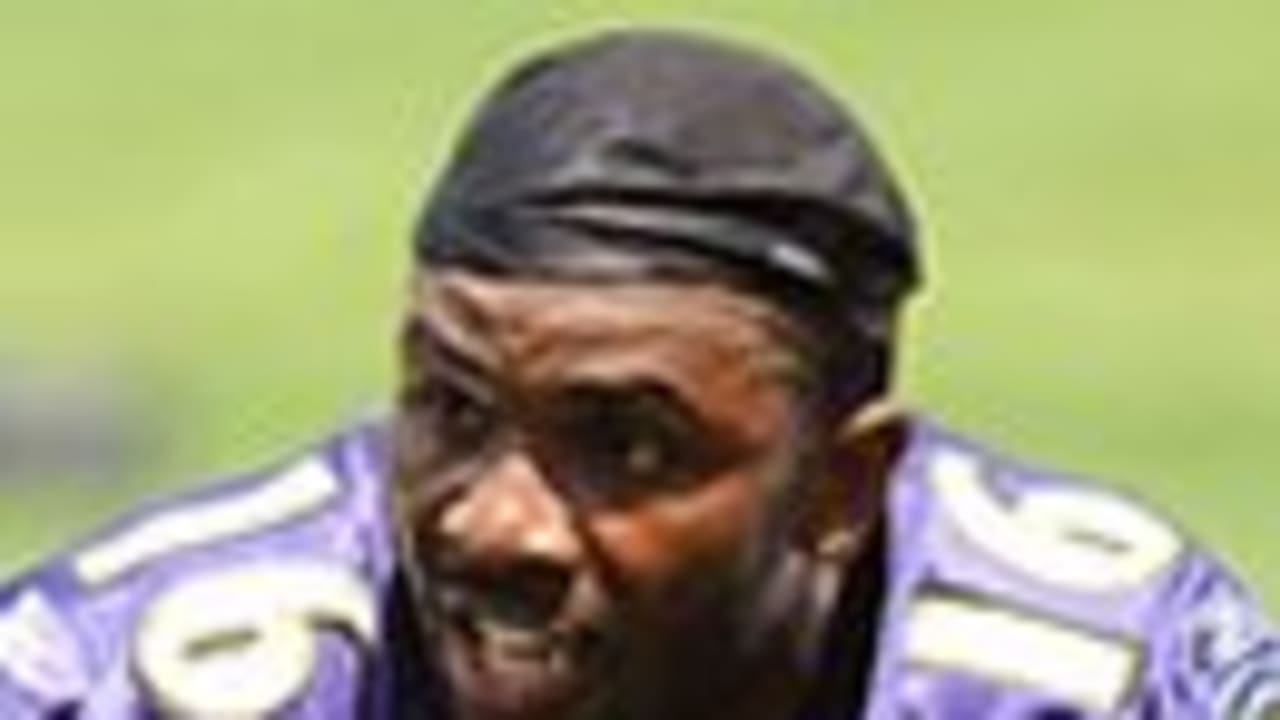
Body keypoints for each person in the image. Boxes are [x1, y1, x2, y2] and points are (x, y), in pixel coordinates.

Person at [0, 28, 1275, 720]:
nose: (494, 523)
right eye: (450, 409)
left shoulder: (1119, 680)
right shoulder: (117, 677)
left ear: (841, 487)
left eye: (628, 446)